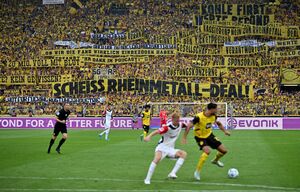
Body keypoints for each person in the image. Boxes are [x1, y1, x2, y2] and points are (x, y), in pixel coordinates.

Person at [182, 103, 231, 181]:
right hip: (200, 137)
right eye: (216, 109)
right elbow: (189, 126)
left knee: (224, 151)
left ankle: (215, 160)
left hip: (209, 135)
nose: (217, 110)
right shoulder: (199, 117)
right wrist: (184, 137)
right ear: (211, 109)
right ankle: (197, 172)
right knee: (207, 151)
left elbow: (218, 123)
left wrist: (225, 131)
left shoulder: (214, 116)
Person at [144, 112, 187, 185]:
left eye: (178, 120)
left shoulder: (180, 124)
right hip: (162, 147)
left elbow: (187, 126)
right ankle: (147, 179)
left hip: (170, 149)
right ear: (172, 119)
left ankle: (172, 173)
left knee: (184, 154)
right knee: (157, 159)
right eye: (176, 120)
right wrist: (149, 136)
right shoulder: (167, 127)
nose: (177, 122)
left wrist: (184, 137)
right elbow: (157, 131)